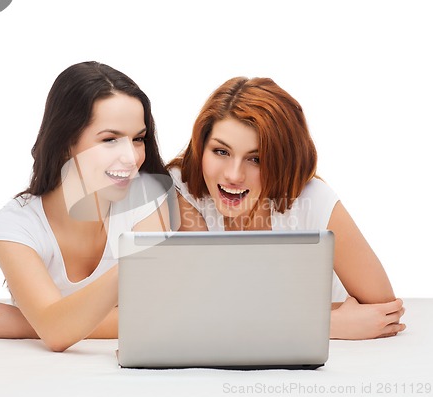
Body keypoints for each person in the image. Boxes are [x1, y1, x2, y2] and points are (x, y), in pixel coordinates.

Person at [167, 76, 406, 340]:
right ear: (202, 147)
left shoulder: (311, 199)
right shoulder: (180, 190)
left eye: (256, 159)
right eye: (221, 152)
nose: (234, 175)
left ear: (283, 160)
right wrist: (324, 324)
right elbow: (199, 312)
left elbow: (384, 312)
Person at [0, 61, 171, 352]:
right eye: (109, 140)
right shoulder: (16, 226)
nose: (131, 157)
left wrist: (28, 324)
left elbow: (155, 315)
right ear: (65, 142)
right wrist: (134, 265)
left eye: (138, 139)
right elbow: (58, 333)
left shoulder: (147, 199)